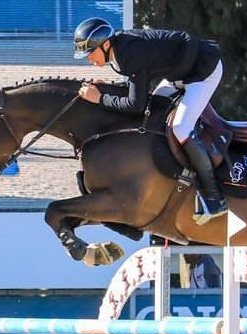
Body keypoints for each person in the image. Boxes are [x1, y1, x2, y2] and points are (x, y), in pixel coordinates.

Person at [73, 17, 227, 219]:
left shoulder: (130, 53)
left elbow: (135, 105)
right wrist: (108, 89)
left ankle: (215, 197)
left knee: (180, 127)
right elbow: (137, 90)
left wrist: (99, 98)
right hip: (177, 74)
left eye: (90, 53)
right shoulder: (120, 50)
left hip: (202, 71)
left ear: (106, 44)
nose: (89, 60)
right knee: (155, 109)